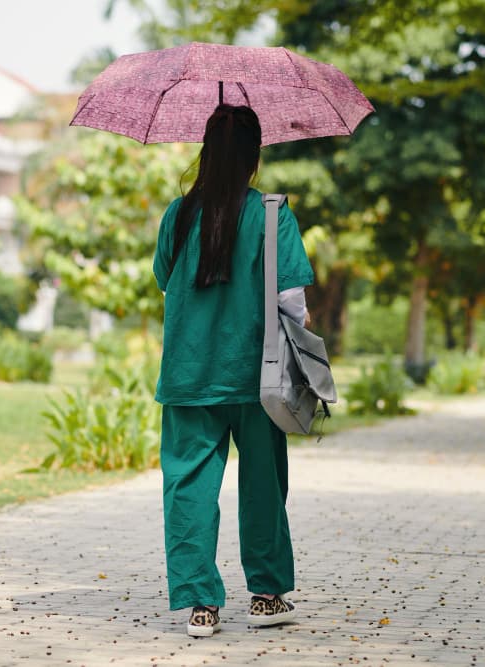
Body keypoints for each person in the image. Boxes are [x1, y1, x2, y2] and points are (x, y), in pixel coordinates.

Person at [152, 104, 314, 637]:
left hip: (188, 371)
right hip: (256, 373)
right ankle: (266, 596)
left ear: (205, 152)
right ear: (254, 156)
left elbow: (163, 279)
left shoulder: (178, 214)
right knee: (263, 483)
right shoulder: (272, 213)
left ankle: (201, 604)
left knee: (189, 484)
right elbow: (293, 302)